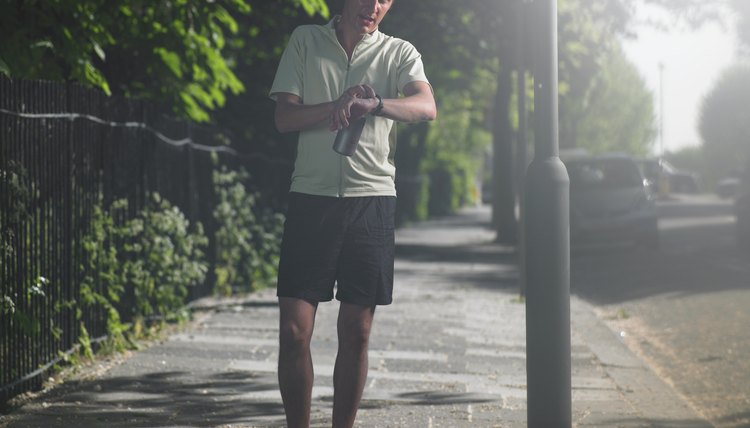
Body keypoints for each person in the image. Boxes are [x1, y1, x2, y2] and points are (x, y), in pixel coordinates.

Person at [269, 0, 436, 426]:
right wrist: (337, 105)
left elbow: (425, 106)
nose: (374, 6)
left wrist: (375, 104)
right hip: (311, 198)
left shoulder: (399, 52)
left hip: (372, 201)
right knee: (293, 333)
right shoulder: (306, 40)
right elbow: (284, 117)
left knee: (357, 332)